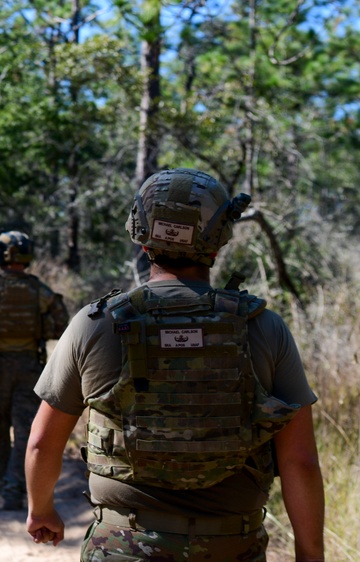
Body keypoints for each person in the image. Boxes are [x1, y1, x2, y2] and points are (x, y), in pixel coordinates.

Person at [25, 168, 325, 561]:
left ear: (142, 236)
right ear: (217, 243)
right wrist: (310, 552)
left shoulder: (94, 326)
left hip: (123, 546)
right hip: (232, 547)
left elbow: (42, 443)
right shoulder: (264, 328)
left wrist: (41, 510)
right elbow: (300, 461)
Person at [0, 231, 68, 511]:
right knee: (24, 431)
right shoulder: (40, 290)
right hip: (31, 367)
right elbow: (61, 325)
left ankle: (2, 478)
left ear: (0, 256)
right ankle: (14, 487)